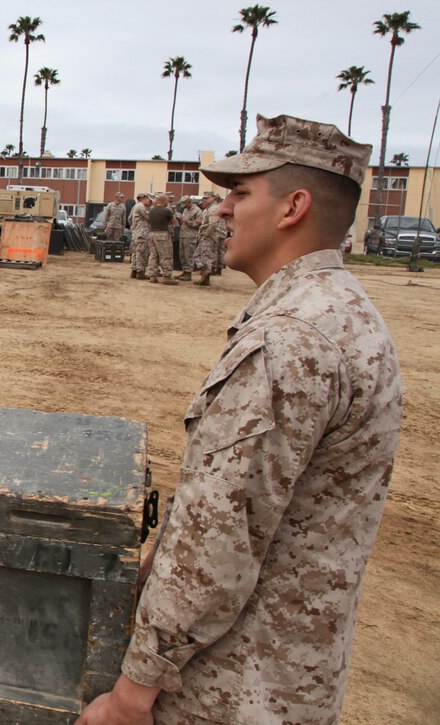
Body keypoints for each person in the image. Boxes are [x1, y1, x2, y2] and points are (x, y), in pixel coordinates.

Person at [77, 113, 402, 725]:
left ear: (293, 207)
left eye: (242, 193)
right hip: (281, 676)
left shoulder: (290, 341)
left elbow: (218, 539)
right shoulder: (338, 311)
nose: (223, 209)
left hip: (226, 688)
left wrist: (132, 692)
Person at [145, 194, 177, 285]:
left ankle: (153, 275)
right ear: (164, 201)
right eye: (167, 200)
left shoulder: (151, 210)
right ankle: (167, 276)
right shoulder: (166, 211)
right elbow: (173, 221)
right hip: (162, 234)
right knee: (166, 255)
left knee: (153, 255)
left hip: (152, 234)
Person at [192, 192, 222, 286]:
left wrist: (206, 235)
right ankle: (205, 274)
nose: (204, 200)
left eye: (207, 198)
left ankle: (206, 275)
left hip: (209, 236)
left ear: (213, 198)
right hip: (205, 235)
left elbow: (212, 224)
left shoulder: (213, 209)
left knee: (206, 256)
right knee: (198, 255)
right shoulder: (208, 209)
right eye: (204, 198)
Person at [174, 196, 202, 281]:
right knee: (182, 255)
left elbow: (198, 224)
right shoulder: (186, 209)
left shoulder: (197, 210)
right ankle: (184, 271)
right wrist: (180, 218)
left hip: (191, 236)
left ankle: (188, 272)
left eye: (185, 204)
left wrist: (187, 221)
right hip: (183, 234)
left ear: (190, 202)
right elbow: (183, 220)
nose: (184, 206)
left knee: (188, 255)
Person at [128, 193, 151, 279]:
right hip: (142, 234)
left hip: (137, 233)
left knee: (136, 253)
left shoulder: (136, 206)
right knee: (141, 253)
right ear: (145, 199)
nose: (151, 203)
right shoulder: (141, 207)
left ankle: (134, 271)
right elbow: (149, 217)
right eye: (150, 201)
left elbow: (130, 219)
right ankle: (140, 272)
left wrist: (133, 228)